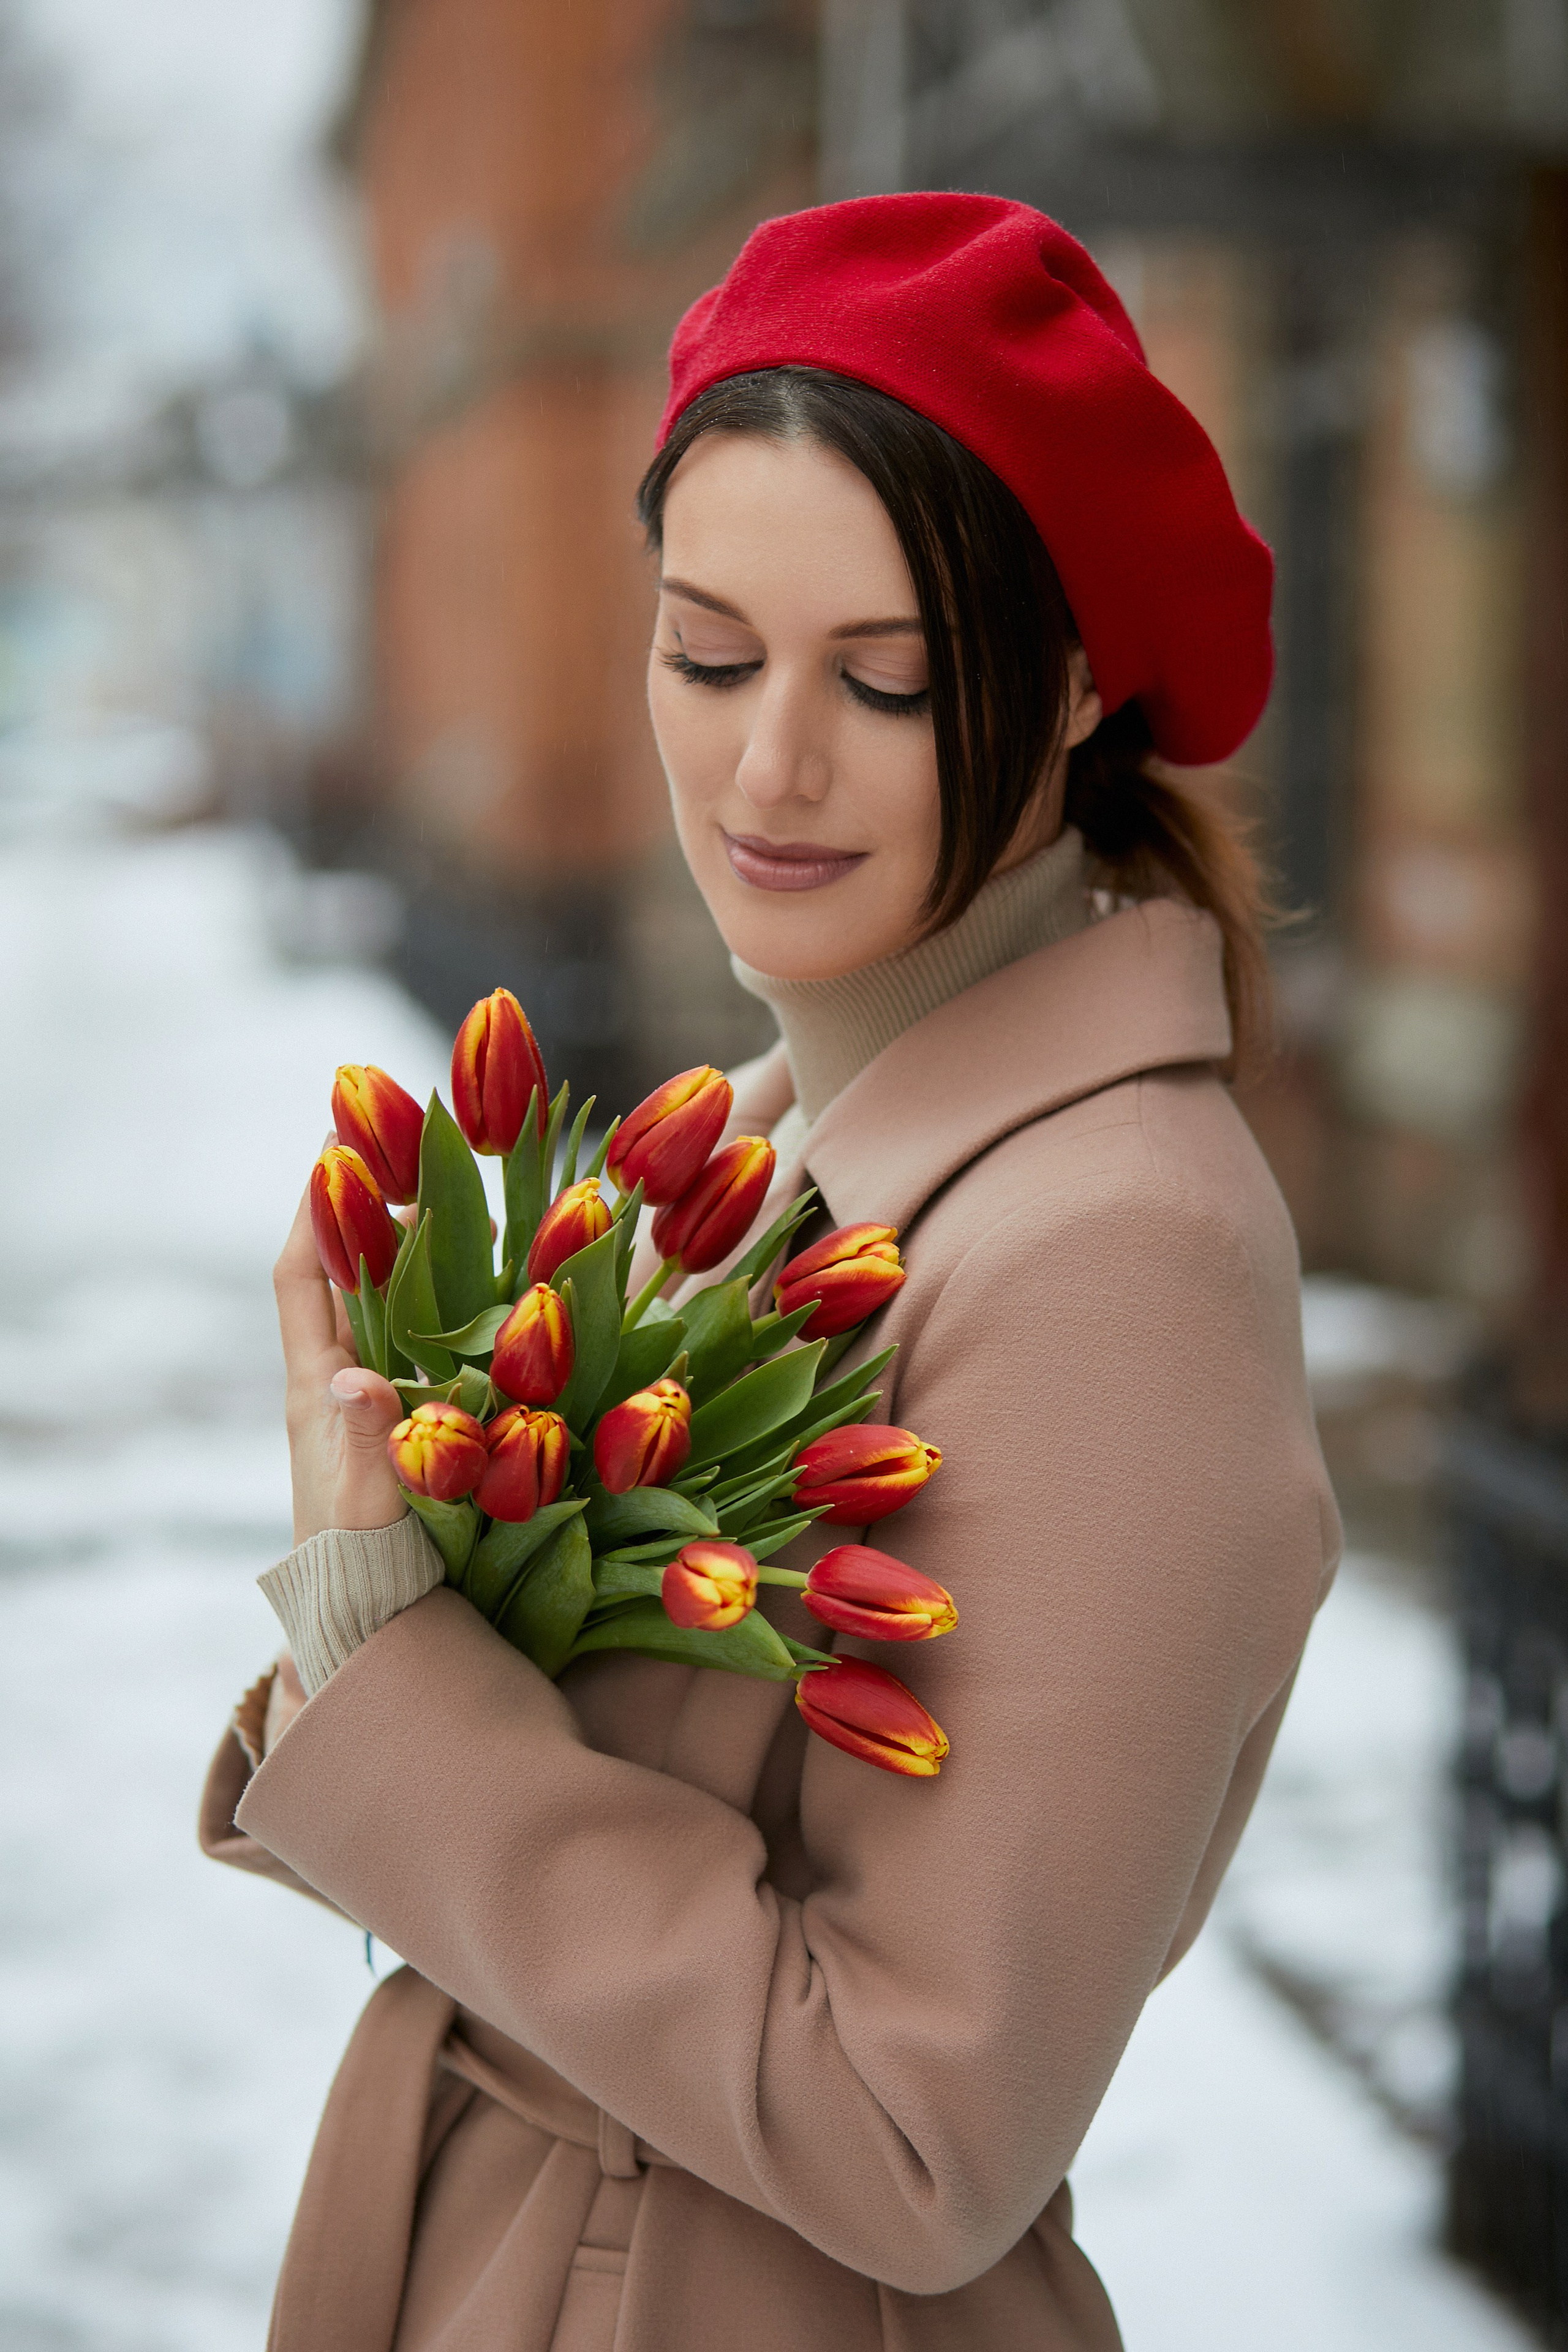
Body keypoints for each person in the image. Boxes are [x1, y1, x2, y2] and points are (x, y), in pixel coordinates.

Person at [202, 193, 1340, 2351]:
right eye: (707, 650)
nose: (766, 764)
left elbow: (922, 2133)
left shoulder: (1117, 1263)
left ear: (1080, 687)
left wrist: (390, 1665)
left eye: (887, 682)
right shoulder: (751, 1150)